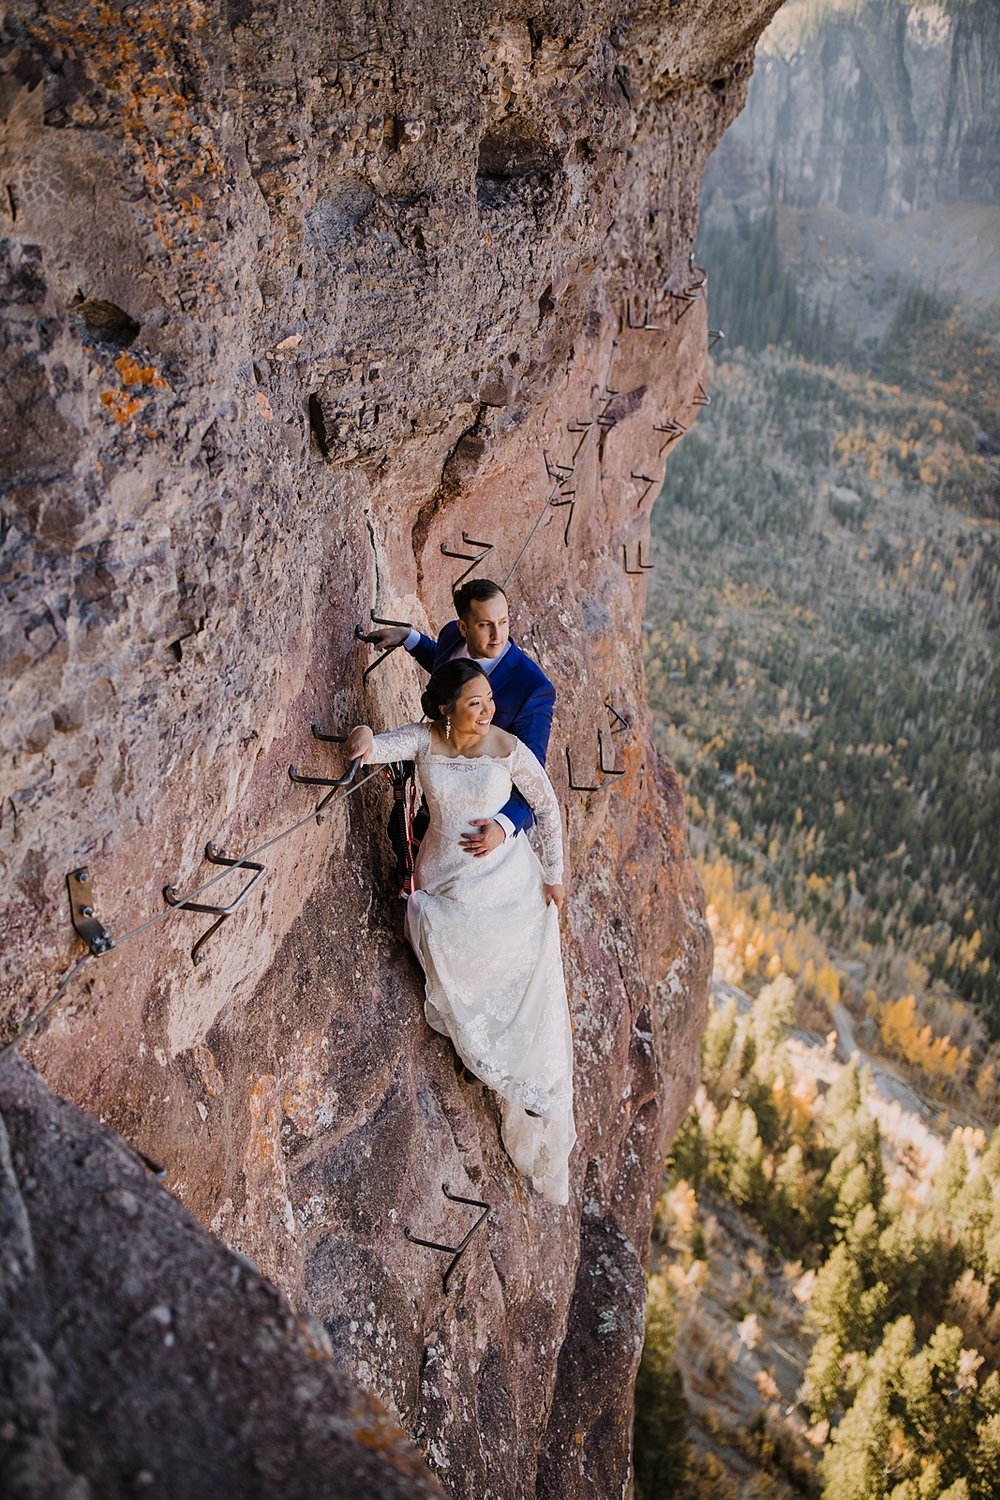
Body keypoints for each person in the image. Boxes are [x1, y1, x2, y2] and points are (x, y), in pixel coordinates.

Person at [346, 659, 575, 1205]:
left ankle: (527, 1084)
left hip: (503, 878)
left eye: (491, 700)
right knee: (440, 933)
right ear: (447, 709)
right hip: (444, 880)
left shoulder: (507, 747)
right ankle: (477, 1045)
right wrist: (359, 739)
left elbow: (544, 803)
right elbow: (376, 746)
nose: (489, 710)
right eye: (476, 703)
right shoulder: (425, 741)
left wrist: (555, 874)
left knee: (514, 976)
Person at [364, 579, 555, 857]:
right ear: (463, 628)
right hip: (436, 793)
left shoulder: (531, 687)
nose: (497, 635)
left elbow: (535, 775)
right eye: (485, 625)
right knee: (408, 872)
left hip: (480, 826)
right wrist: (410, 638)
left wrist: (503, 826)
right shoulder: (451, 636)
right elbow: (450, 676)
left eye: (503, 622)